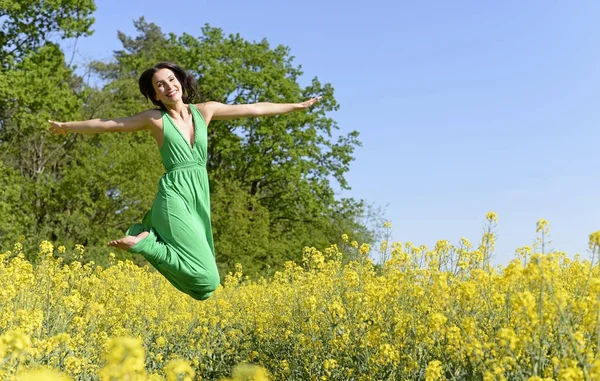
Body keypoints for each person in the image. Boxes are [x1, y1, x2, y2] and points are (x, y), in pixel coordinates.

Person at [48, 61, 321, 300]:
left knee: (207, 285)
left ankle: (146, 239)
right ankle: (145, 243)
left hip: (198, 194)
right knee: (206, 279)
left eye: (171, 80)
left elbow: (254, 109)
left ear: (180, 81)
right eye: (160, 85)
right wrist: (66, 126)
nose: (168, 87)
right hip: (173, 195)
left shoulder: (205, 111)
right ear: (155, 94)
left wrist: (294, 106)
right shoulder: (155, 119)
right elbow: (108, 124)